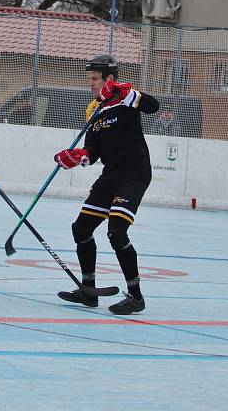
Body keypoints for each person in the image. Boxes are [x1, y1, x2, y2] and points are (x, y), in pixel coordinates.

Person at [54, 54, 159, 315]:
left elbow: (153, 106)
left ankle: (135, 296)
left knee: (117, 231)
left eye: (94, 79)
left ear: (109, 79)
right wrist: (78, 157)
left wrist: (128, 91)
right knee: (81, 228)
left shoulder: (126, 98)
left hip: (134, 175)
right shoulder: (94, 109)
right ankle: (88, 291)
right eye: (89, 78)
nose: (90, 83)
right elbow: (93, 151)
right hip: (110, 176)